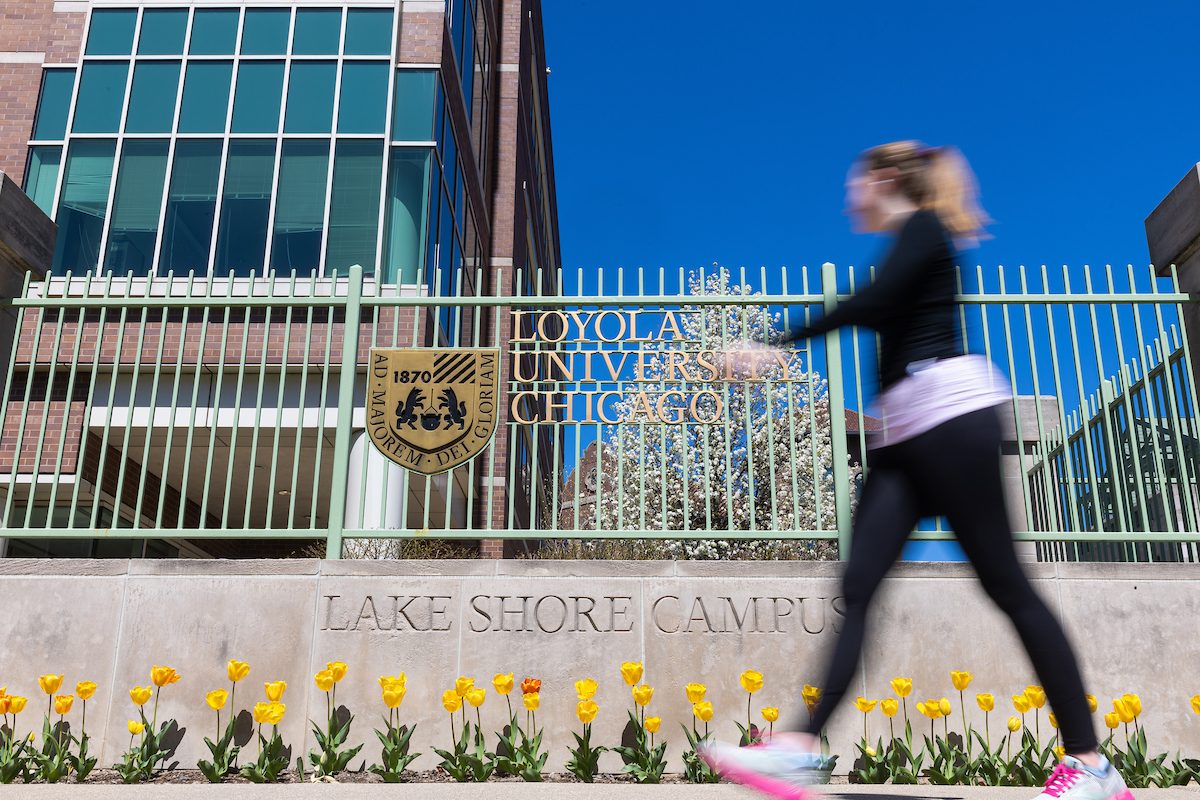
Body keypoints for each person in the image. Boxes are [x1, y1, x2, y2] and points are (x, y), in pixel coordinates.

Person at [700, 141, 1132, 800]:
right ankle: (798, 746)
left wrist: (772, 345)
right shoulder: (910, 239)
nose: (849, 198)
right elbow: (881, 311)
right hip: (905, 436)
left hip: (952, 420)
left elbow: (873, 303)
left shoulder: (924, 231)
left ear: (883, 179)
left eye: (854, 184)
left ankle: (1094, 766)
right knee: (859, 583)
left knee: (1008, 587)